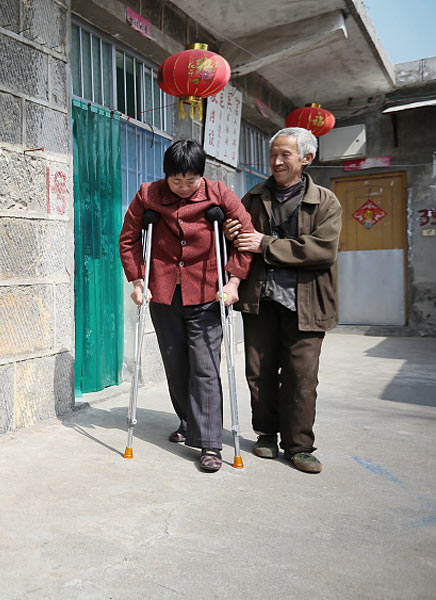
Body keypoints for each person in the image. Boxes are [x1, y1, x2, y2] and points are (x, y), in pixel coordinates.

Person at [119, 140, 254, 472]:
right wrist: (137, 281)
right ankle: (187, 420)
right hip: (163, 293)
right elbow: (129, 239)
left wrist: (234, 282)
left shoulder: (220, 194)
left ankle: (209, 444)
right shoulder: (148, 194)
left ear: (201, 175)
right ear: (166, 175)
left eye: (189, 181)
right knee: (176, 364)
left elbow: (246, 235)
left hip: (207, 291)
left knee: (205, 366)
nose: (182, 187)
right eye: (175, 181)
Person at [224, 127, 342, 474]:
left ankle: (300, 445)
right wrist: (233, 235)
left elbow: (323, 250)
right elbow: (238, 239)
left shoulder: (325, 202)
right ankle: (265, 435)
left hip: (306, 303)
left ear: (306, 159)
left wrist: (264, 244)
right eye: (273, 154)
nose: (275, 161)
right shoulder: (254, 197)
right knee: (259, 373)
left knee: (301, 378)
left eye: (285, 155)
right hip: (260, 299)